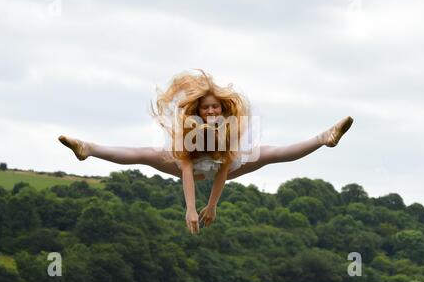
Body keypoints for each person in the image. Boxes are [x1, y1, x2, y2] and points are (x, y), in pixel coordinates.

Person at [58, 70, 353, 234]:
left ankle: (324, 137)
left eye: (215, 106)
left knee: (270, 153)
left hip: (223, 166)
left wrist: (212, 205)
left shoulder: (229, 126)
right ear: (198, 110)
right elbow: (186, 169)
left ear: (222, 108)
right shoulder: (190, 127)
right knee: (144, 153)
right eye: (206, 107)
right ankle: (88, 148)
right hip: (193, 166)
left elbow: (223, 168)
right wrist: (190, 208)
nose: (211, 110)